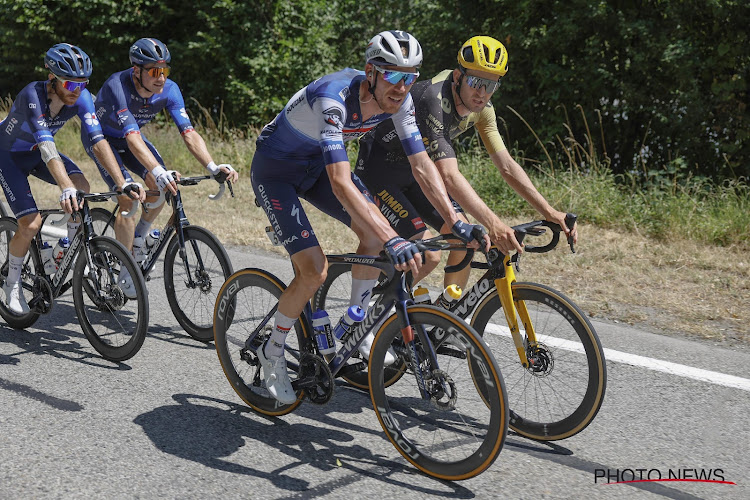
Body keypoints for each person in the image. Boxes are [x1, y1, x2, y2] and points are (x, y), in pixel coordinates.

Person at [251, 30, 486, 404]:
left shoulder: (401, 103)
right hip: (277, 172)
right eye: (393, 76)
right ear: (371, 73)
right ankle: (273, 351)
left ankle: (355, 329)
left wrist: (455, 221)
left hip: (316, 166)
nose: (401, 87)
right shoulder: (334, 100)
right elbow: (341, 182)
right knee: (314, 270)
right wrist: (395, 239)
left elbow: (422, 166)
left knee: (376, 235)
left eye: (410, 78)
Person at [355, 35, 578, 290]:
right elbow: (448, 176)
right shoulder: (433, 99)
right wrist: (493, 223)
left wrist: (549, 212)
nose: (482, 93)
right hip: (379, 170)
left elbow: (506, 165)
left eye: (491, 85)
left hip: (416, 173)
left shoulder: (483, 110)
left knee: (466, 240)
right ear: (459, 76)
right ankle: (379, 310)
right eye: (475, 81)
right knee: (430, 256)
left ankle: (447, 318)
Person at [84, 37, 238, 294]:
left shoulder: (170, 90)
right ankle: (126, 269)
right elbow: (132, 138)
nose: (161, 78)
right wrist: (158, 171)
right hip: (102, 141)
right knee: (129, 199)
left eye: (165, 71)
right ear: (137, 70)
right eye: (155, 72)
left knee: (164, 186)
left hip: (131, 139)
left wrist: (212, 166)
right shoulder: (116, 86)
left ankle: (139, 238)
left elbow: (188, 133)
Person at [0, 43, 144, 314]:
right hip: (9, 156)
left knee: (83, 188)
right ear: (52, 77)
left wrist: (121, 182)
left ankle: (65, 251)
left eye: (82, 84)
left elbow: (98, 141)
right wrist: (64, 186)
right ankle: (12, 282)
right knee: (31, 224)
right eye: (69, 83)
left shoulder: (82, 97)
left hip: (35, 153)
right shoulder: (32, 94)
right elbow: (46, 146)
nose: (75, 90)